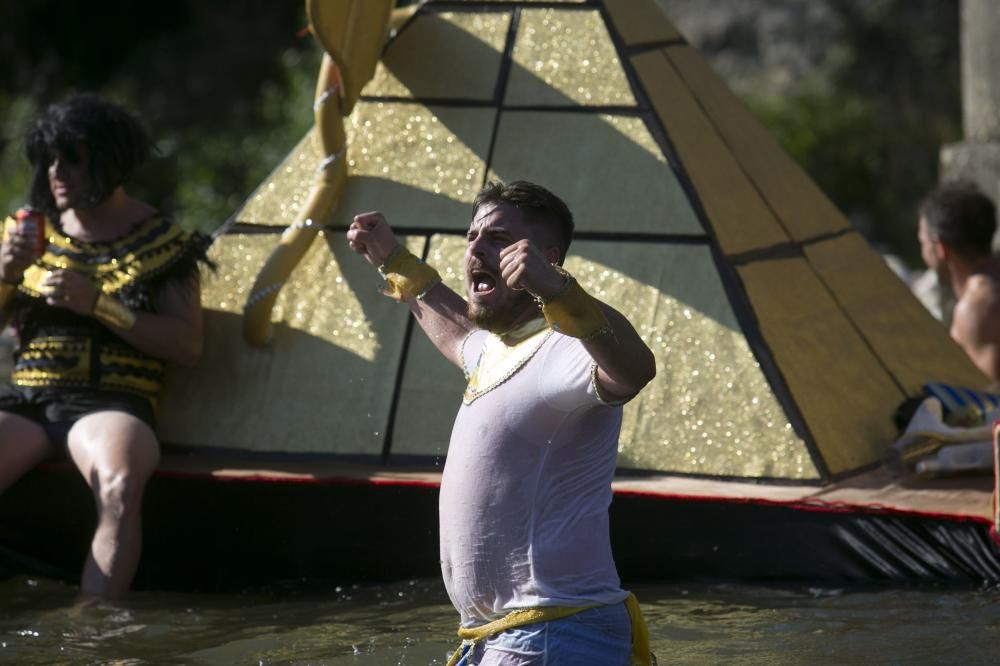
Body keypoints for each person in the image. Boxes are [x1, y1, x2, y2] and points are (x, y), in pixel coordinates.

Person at [347, 180, 656, 665]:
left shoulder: (570, 347)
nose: (476, 248)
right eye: (472, 237)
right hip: (503, 637)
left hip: (556, 631)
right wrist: (392, 258)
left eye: (497, 238)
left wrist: (558, 288)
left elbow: (636, 369)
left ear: (547, 256)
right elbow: (450, 322)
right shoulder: (494, 351)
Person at [0, 93, 209, 599]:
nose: (56, 172)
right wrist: (5, 273)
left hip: (109, 402)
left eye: (72, 158)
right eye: (48, 159)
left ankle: (94, 633)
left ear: (111, 160)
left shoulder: (164, 242)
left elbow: (187, 344)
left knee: (118, 486)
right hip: (26, 399)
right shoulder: (27, 231)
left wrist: (100, 305)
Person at [917, 181, 1000, 382]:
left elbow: (990, 402)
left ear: (940, 249)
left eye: (923, 243)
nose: (922, 251)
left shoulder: (976, 309)